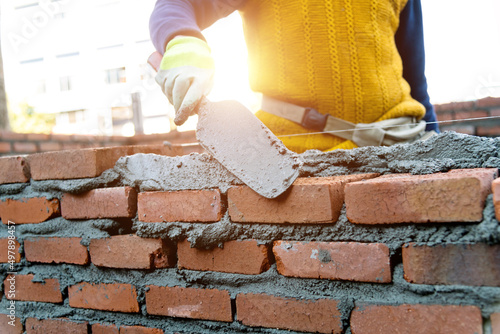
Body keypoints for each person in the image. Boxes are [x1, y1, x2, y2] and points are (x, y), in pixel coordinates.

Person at [150, 0, 439, 153]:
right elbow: (176, 5)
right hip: (295, 160)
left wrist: (439, 147)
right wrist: (183, 43)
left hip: (400, 146)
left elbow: (415, 80)